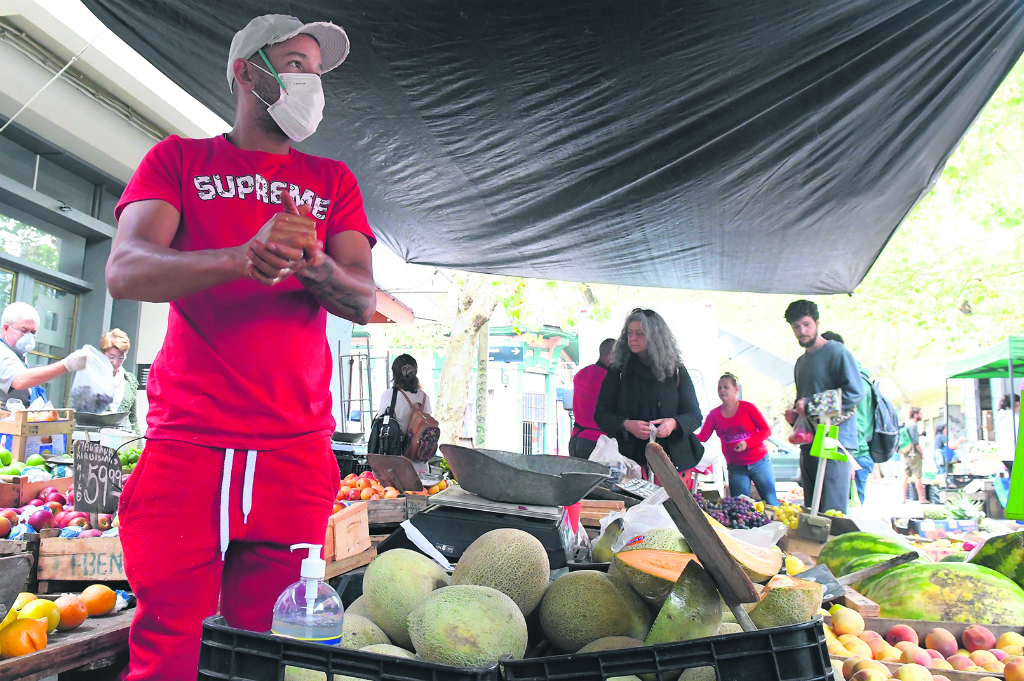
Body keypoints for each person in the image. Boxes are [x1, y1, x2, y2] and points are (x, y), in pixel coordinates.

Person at [105, 14, 376, 680]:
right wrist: (236, 256)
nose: (309, 80)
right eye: (295, 63)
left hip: (293, 452)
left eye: (315, 68)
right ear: (246, 70)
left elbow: (363, 299)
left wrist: (314, 267)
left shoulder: (332, 179)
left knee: (271, 654)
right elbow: (125, 267)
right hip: (187, 447)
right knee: (169, 645)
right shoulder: (178, 159)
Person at [594, 308, 703, 477]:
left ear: (655, 337)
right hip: (630, 461)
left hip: (673, 461)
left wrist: (673, 424)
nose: (632, 338)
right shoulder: (619, 371)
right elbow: (601, 415)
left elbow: (695, 415)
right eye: (629, 333)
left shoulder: (675, 370)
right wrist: (626, 424)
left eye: (640, 333)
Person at [783, 300, 863, 514]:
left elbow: (855, 393)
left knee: (832, 511)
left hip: (835, 442)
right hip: (809, 443)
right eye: (796, 327)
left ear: (817, 323)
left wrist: (810, 405)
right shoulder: (801, 362)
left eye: (807, 324)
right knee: (812, 510)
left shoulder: (837, 353)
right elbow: (804, 402)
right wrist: (795, 415)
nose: (802, 331)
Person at [696, 372, 777, 505]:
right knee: (739, 505)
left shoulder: (748, 408)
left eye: (726, 387)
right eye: (719, 388)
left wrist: (747, 443)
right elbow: (703, 437)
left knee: (771, 501)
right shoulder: (714, 415)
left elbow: (766, 430)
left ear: (736, 389)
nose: (722, 390)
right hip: (736, 466)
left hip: (759, 462)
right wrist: (681, 430)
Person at [820, 331, 874, 505]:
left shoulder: (855, 381)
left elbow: (858, 424)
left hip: (855, 456)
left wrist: (851, 462)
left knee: (849, 514)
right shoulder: (840, 378)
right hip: (842, 453)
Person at [0, 302, 89, 405]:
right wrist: (66, 365)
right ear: (6, 328)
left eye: (33, 332)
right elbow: (19, 380)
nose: (28, 337)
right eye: (24, 331)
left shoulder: (17, 356)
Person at [568, 338, 616, 459]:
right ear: (610, 356)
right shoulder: (609, 379)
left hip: (576, 439)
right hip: (597, 443)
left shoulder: (581, 373)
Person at [378, 354, 432, 436]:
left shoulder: (389, 395)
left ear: (394, 373)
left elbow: (379, 425)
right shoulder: (424, 397)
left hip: (395, 447)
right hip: (416, 448)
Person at [100, 329, 139, 433]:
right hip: (96, 441)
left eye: (120, 358)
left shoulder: (130, 381)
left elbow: (133, 418)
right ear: (103, 354)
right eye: (111, 357)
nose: (115, 362)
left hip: (123, 441)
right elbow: (74, 412)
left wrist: (140, 447)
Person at [904, 407, 926, 502]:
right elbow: (915, 442)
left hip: (906, 452)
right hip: (914, 453)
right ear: (916, 415)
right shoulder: (913, 425)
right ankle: (921, 498)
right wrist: (922, 453)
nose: (922, 416)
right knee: (918, 476)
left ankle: (903, 498)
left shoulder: (907, 424)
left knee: (906, 475)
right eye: (920, 414)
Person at [996, 394, 1020, 474]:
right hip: (1014, 454)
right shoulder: (1014, 419)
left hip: (1005, 455)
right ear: (1017, 403)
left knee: (1012, 479)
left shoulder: (1002, 417)